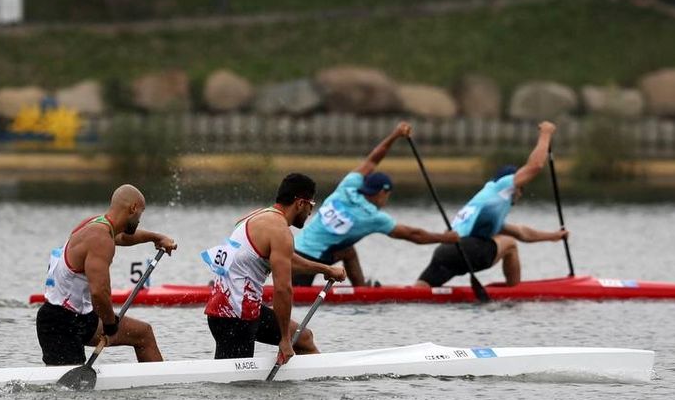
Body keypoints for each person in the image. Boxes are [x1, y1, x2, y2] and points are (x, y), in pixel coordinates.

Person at [292, 121, 458, 286]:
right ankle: (360, 292)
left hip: (294, 249)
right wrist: (446, 238)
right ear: (382, 193)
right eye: (388, 196)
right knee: (294, 304)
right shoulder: (373, 217)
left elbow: (373, 159)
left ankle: (360, 290)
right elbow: (414, 235)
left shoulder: (348, 186)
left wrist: (395, 135)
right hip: (309, 260)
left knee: (348, 252)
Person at [204, 173, 346, 363]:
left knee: (303, 338)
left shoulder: (256, 215)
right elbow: (282, 289)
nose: (311, 212)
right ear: (300, 203)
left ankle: (318, 383)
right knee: (234, 388)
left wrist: (326, 270)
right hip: (236, 316)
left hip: (230, 308)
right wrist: (285, 340)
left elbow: (285, 259)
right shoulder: (280, 231)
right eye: (311, 205)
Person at [37, 184, 177, 366]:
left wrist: (156, 238)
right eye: (140, 214)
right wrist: (111, 325)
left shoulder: (97, 225)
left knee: (143, 334)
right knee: (70, 394)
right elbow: (99, 292)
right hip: (59, 323)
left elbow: (124, 237)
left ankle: (160, 385)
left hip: (82, 317)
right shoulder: (100, 240)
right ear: (133, 208)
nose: (140, 220)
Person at [416, 121, 568, 288]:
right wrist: (546, 134)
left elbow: (522, 232)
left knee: (420, 291)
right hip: (469, 250)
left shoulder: (486, 202)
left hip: (444, 252)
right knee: (510, 245)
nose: (521, 192)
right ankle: (514, 290)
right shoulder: (504, 186)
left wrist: (553, 236)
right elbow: (535, 166)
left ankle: (403, 293)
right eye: (521, 187)